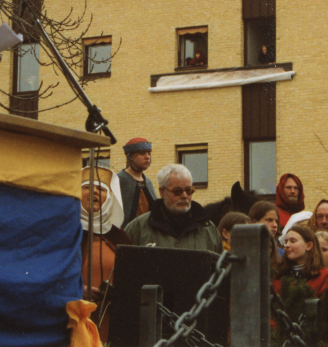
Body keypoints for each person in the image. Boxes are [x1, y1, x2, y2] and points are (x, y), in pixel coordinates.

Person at [80, 166, 132, 342]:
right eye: (87, 187)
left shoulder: (120, 237)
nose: (94, 192)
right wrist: (76, 291)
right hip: (72, 318)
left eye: (101, 189)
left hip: (111, 321)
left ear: (109, 197)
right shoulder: (64, 233)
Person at [123, 164, 222, 252]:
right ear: (162, 192)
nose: (184, 196)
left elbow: (221, 269)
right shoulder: (138, 229)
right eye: (177, 191)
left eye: (189, 190)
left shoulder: (209, 231)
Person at [274, 226, 328, 297]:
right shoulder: (278, 274)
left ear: (309, 246)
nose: (287, 245)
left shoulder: (324, 275)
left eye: (293, 241)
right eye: (286, 241)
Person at [116, 137, 157, 228]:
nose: (147, 157)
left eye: (149, 153)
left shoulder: (148, 182)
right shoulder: (119, 179)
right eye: (142, 154)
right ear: (131, 157)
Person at [249, 201, 283, 267]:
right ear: (254, 222)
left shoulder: (282, 255)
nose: (275, 225)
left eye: (276, 221)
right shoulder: (243, 251)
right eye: (269, 220)